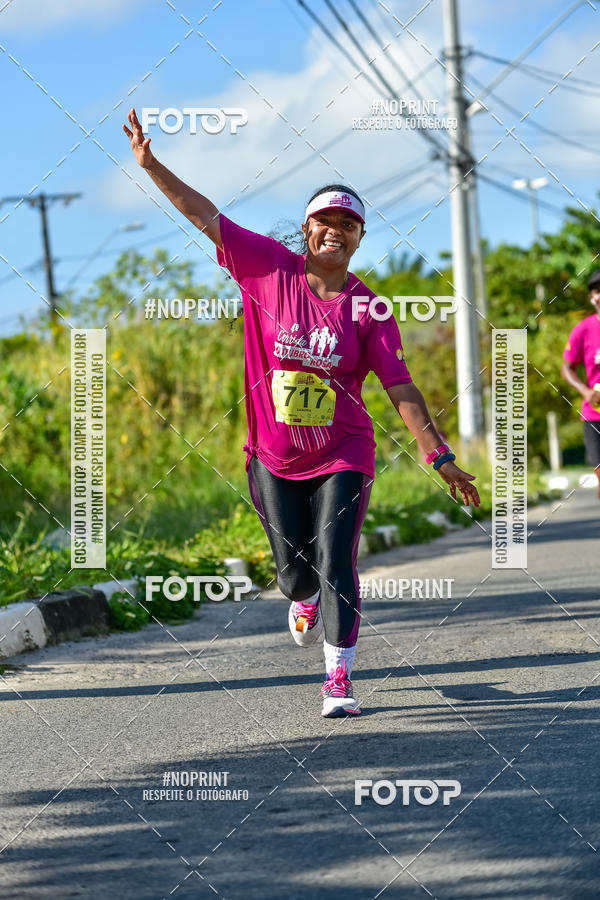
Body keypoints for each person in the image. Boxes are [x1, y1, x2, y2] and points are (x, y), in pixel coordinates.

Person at [123, 107, 480, 718]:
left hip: (344, 451)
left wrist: (439, 455)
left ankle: (337, 678)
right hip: (273, 454)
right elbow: (203, 215)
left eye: (349, 223)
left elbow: (400, 385)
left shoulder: (369, 308)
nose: (336, 229)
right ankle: (303, 598)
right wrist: (153, 166)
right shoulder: (267, 268)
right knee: (295, 575)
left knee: (337, 557)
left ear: (361, 237)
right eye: (325, 220)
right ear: (307, 229)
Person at [561, 269, 600, 497]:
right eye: (597, 291)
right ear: (591, 297)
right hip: (595, 416)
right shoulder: (583, 330)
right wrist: (585, 391)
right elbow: (566, 368)